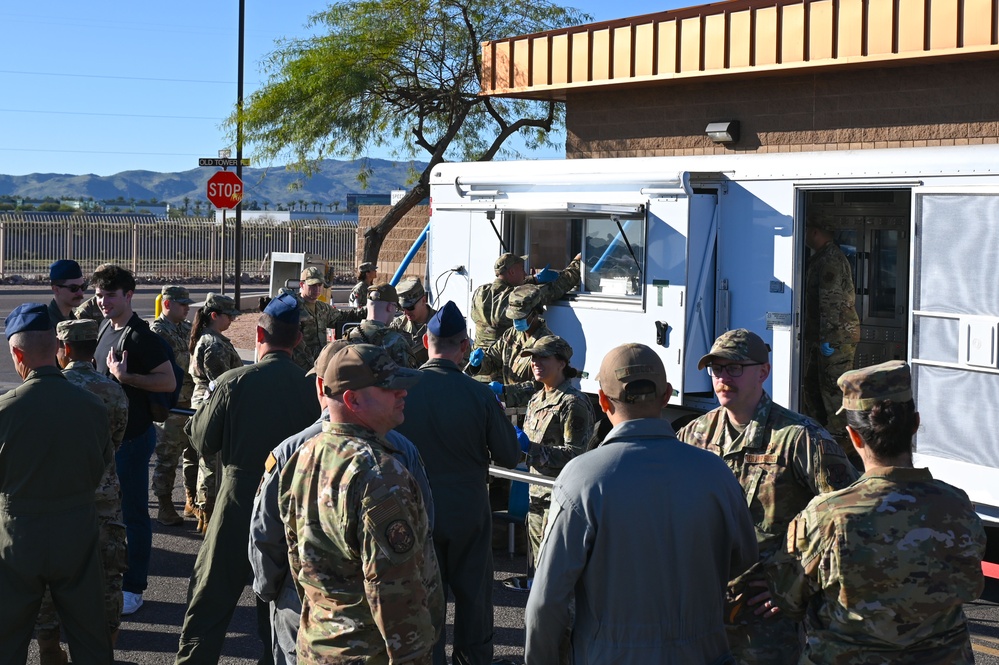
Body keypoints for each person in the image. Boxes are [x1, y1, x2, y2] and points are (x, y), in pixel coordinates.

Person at [525, 343, 757, 664]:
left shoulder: (582, 478)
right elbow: (745, 561)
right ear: (667, 396)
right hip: (705, 653)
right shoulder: (715, 471)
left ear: (602, 400)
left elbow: (547, 601)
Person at [767, 361, 986, 664]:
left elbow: (788, 598)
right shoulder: (957, 504)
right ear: (915, 424)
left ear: (854, 436)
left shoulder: (826, 515)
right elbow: (972, 585)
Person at [676, 328, 859, 665]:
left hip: (764, 621)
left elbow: (849, 514)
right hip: (701, 610)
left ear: (763, 372)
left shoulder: (798, 437)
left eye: (734, 368)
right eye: (716, 369)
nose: (722, 378)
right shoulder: (694, 434)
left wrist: (796, 578)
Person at [249, 340, 435, 665]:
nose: (402, 393)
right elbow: (393, 589)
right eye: (389, 387)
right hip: (367, 650)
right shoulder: (379, 474)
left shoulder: (300, 456)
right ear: (353, 399)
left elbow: (294, 560)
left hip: (316, 644)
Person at [175, 292, 319, 664]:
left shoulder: (233, 382)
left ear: (259, 334)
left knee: (208, 599)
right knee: (280, 603)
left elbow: (202, 440)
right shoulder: (312, 389)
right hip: (291, 507)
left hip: (237, 500)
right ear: (298, 339)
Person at [396, 301, 520, 665]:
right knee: (474, 600)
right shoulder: (480, 394)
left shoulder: (402, 390)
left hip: (416, 506)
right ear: (464, 346)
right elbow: (508, 456)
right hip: (469, 507)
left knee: (423, 597)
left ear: (424, 340)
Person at [0, 304, 113, 663]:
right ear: (57, 349)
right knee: (90, 635)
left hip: (17, 534)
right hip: (77, 528)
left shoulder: (5, 411)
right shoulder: (92, 406)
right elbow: (99, 469)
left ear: (17, 353)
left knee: (6, 636)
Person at [33, 319, 130, 664]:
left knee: (50, 579)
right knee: (108, 576)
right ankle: (101, 651)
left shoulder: (48, 389)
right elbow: (115, 442)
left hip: (57, 500)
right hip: (103, 502)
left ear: (65, 349)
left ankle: (48, 648)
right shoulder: (113, 390)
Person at [93, 264, 177, 617]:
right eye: (98, 295)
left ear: (129, 295)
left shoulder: (141, 337)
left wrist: (128, 377)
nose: (102, 302)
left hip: (131, 439)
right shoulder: (104, 328)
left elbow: (168, 382)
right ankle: (109, 579)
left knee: (133, 517)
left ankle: (134, 587)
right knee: (105, 515)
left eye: (110, 295)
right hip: (106, 442)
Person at [519, 336, 594, 576]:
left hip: (561, 503)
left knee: (558, 576)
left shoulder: (572, 403)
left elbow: (576, 456)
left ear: (562, 363)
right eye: (533, 358)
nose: (535, 362)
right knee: (540, 574)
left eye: (543, 357)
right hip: (535, 500)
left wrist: (530, 449)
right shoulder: (536, 399)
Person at [802, 213, 860, 456]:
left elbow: (831, 303)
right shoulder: (824, 257)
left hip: (835, 336)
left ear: (814, 232)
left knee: (834, 392)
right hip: (827, 336)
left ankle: (842, 448)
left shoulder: (829, 260)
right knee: (813, 388)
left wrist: (827, 337)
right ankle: (825, 439)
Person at [187, 292, 243, 533]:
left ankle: (201, 507)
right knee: (212, 465)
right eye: (228, 316)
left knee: (202, 460)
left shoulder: (211, 339)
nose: (231, 320)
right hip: (212, 408)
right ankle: (208, 514)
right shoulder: (213, 344)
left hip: (204, 405)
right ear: (214, 315)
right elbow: (222, 383)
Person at [150, 285, 196, 527]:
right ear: (167, 304)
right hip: (171, 404)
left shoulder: (186, 329)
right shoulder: (157, 333)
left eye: (188, 304)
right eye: (182, 304)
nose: (187, 308)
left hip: (191, 401)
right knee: (167, 457)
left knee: (193, 453)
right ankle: (165, 504)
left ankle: (191, 499)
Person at [470, 252, 580, 350]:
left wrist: (534, 279)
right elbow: (558, 285)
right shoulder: (518, 298)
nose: (525, 273)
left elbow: (505, 287)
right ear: (512, 272)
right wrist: (578, 262)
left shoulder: (481, 292)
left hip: (481, 363)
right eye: (522, 269)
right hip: (502, 362)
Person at [467, 284, 551, 406]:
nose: (516, 322)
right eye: (513, 318)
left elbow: (541, 387)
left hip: (531, 413)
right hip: (510, 410)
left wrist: (505, 391)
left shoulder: (546, 343)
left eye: (520, 317)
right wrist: (479, 363)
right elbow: (493, 360)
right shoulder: (512, 334)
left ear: (534, 313)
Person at [291, 266, 364, 371]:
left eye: (319, 285)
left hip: (320, 366)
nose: (317, 289)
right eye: (312, 285)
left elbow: (343, 318)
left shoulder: (323, 308)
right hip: (300, 368)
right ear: (302, 285)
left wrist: (367, 310)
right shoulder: (293, 308)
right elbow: (294, 344)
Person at [344, 282, 416, 367]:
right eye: (395, 308)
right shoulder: (395, 340)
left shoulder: (349, 335)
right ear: (390, 307)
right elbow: (411, 375)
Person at [390, 276, 436, 367]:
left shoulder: (440, 324)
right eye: (402, 308)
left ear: (423, 300)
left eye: (410, 307)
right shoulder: (398, 325)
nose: (405, 312)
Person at [47, 258, 87, 324]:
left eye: (83, 287)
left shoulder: (74, 320)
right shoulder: (46, 324)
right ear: (56, 289)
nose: (80, 293)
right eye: (74, 288)